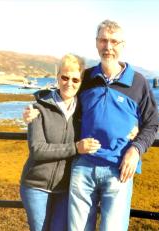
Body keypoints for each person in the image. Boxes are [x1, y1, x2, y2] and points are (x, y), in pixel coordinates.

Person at [68, 19, 159, 231]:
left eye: (114, 42)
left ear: (123, 45)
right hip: (83, 166)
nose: (108, 47)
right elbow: (63, 97)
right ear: (96, 43)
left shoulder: (138, 83)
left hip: (119, 169)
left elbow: (152, 123)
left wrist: (136, 150)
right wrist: (38, 108)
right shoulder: (86, 78)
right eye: (103, 41)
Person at [20, 54, 101, 231]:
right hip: (36, 186)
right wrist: (76, 148)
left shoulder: (83, 111)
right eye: (64, 77)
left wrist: (134, 128)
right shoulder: (38, 108)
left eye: (75, 79)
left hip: (65, 189)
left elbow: (105, 124)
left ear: (81, 82)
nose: (69, 83)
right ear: (57, 77)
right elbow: (37, 150)